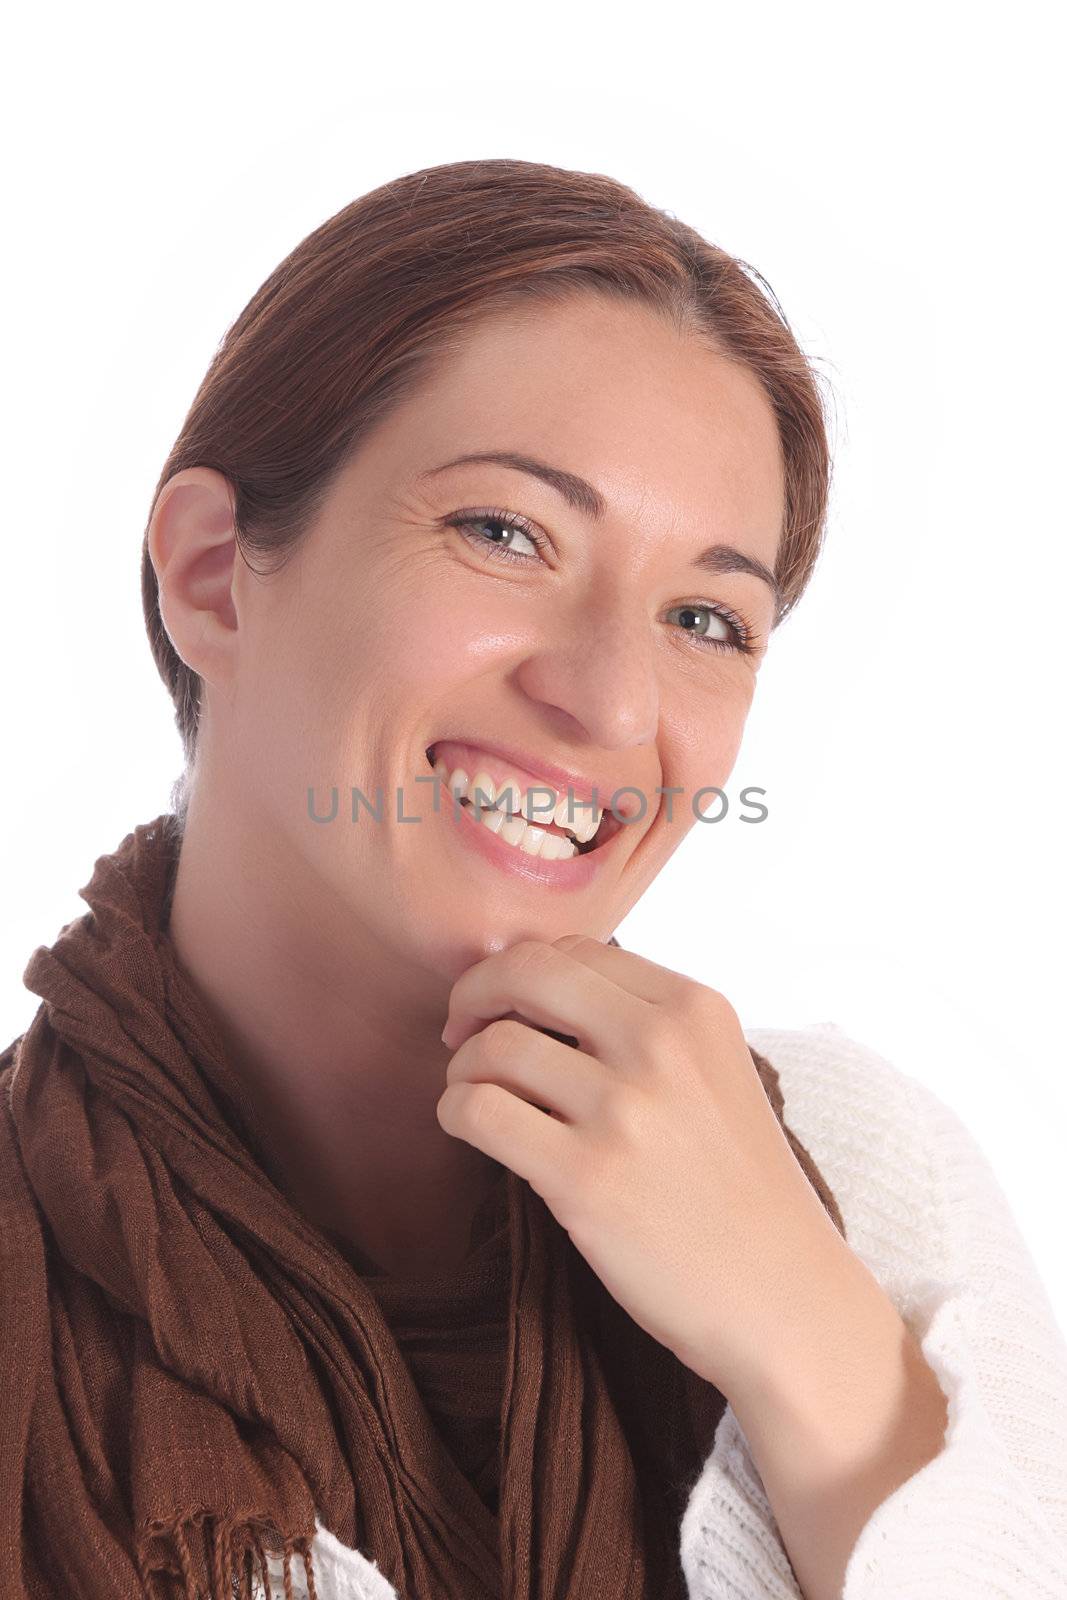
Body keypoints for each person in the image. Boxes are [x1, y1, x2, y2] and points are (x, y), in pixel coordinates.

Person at [2, 157, 1065, 1600]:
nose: (615, 702)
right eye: (506, 533)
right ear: (210, 576)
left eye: (707, 615)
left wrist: (809, 1341)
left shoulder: (862, 1184)